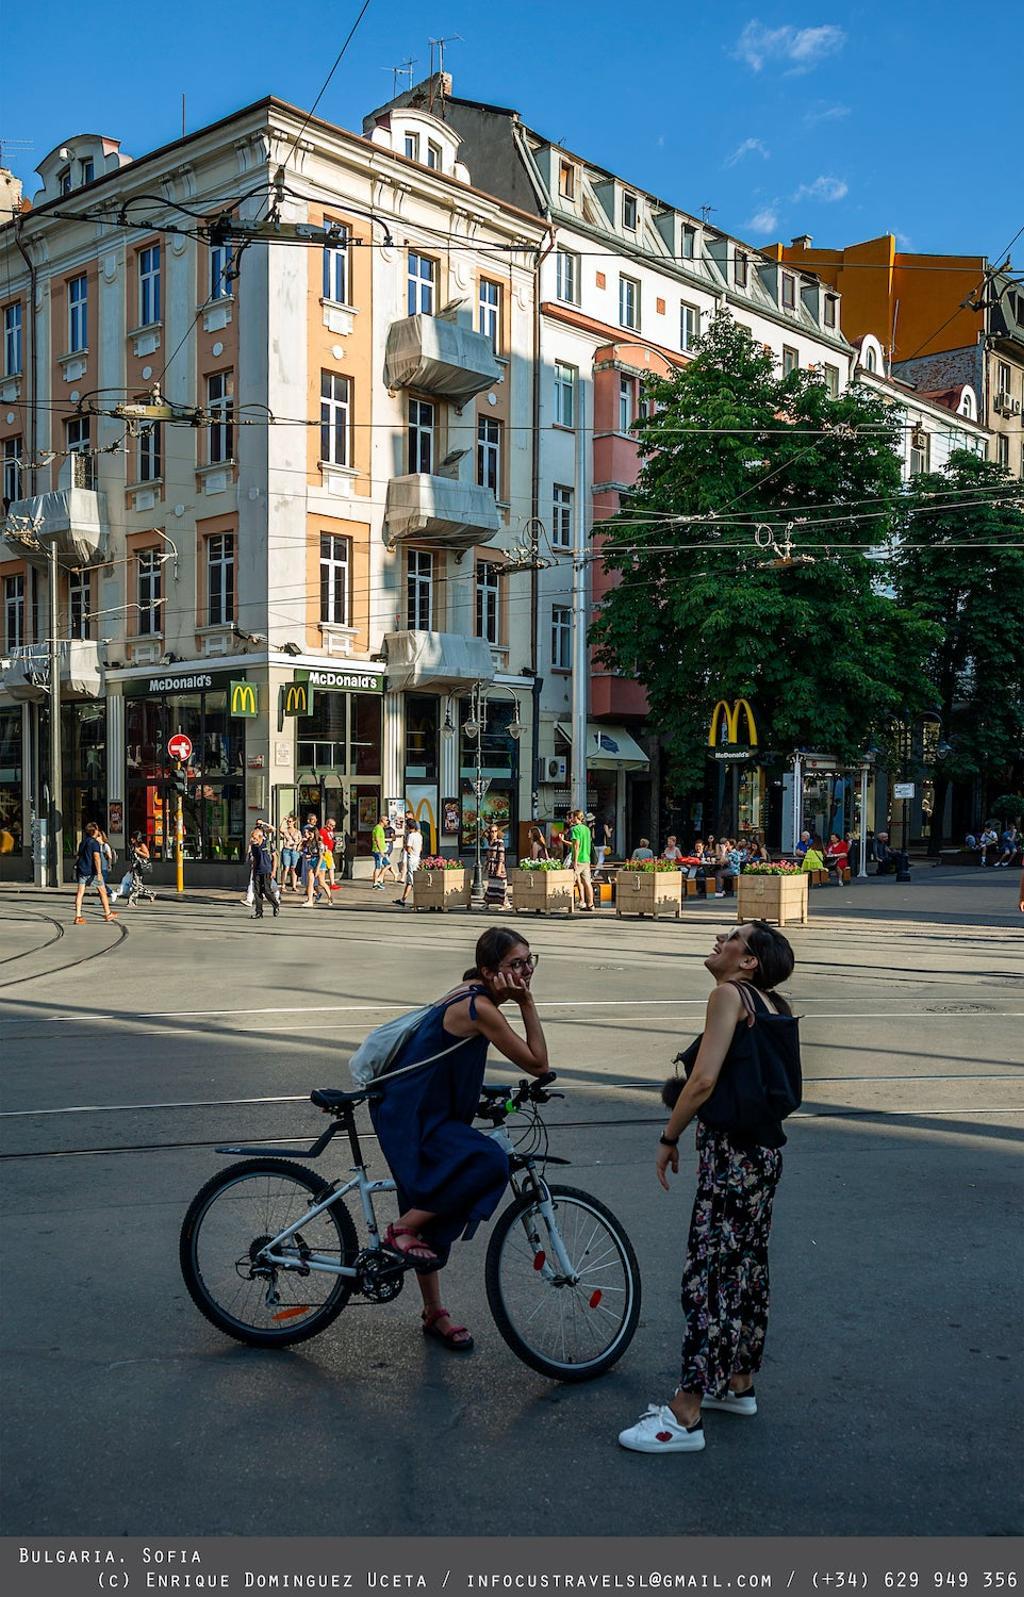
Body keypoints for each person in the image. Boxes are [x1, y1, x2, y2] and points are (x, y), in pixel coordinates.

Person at [618, 920, 798, 1455]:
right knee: (745, 1268)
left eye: (733, 937)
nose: (720, 939)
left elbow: (702, 1080)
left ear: (749, 961)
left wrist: (669, 1134)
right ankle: (737, 1383)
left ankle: (685, 1412)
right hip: (763, 1156)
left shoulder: (728, 995)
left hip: (732, 1157)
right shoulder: (774, 1006)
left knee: (712, 1274)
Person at [369, 927, 550, 1350]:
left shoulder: (471, 991)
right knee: (488, 1162)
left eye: (529, 962)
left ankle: (433, 1312)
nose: (526, 972)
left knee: (429, 1201)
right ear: (490, 972)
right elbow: (539, 1063)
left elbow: (447, 1060)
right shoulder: (480, 1006)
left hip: (420, 1108)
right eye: (515, 965)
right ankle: (399, 1230)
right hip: (413, 1116)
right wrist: (526, 1002)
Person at [73, 821, 117, 925]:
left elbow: (79, 856)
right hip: (92, 871)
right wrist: (99, 872)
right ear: (94, 831)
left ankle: (78, 916)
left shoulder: (82, 842)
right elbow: (96, 858)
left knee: (80, 893)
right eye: (97, 829)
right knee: (102, 891)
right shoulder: (94, 843)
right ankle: (108, 913)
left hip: (82, 870)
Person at [248, 826, 278, 919]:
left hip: (266, 870)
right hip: (257, 871)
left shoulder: (268, 844)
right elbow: (254, 859)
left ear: (260, 837)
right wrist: (253, 871)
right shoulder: (253, 846)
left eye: (254, 837)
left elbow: (275, 857)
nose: (253, 839)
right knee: (257, 892)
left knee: (266, 891)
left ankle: (275, 904)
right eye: (252, 837)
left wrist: (274, 870)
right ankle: (259, 912)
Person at [570, 808, 595, 911]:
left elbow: (576, 846)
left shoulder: (575, 829)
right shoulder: (587, 829)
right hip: (586, 859)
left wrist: (575, 862)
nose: (571, 819)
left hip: (579, 859)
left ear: (576, 817)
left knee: (569, 880)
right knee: (587, 883)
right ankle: (590, 904)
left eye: (572, 817)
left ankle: (567, 903)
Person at [396, 818, 423, 908]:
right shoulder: (419, 836)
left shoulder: (411, 836)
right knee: (409, 881)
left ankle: (419, 902)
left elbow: (408, 848)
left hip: (412, 859)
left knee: (412, 880)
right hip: (417, 858)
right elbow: (421, 848)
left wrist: (409, 852)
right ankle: (403, 900)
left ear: (408, 826)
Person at [300, 825, 330, 907]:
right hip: (311, 862)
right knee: (310, 882)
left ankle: (330, 897)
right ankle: (310, 900)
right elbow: (305, 851)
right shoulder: (308, 842)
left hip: (320, 863)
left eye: (310, 833)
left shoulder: (319, 843)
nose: (308, 834)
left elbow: (321, 857)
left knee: (321, 882)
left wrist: (317, 868)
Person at [483, 823, 509, 910]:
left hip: (499, 868)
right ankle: (487, 903)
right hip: (491, 867)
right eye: (492, 831)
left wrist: (498, 869)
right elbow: (488, 856)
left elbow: (501, 857)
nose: (493, 833)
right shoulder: (491, 843)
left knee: (501, 886)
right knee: (491, 886)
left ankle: (505, 904)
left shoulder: (500, 842)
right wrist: (485, 866)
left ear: (498, 832)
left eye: (495, 831)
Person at [278, 816, 301, 893]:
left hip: (294, 851)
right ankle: (283, 885)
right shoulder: (285, 831)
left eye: (290, 821)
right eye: (288, 821)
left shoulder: (298, 832)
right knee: (286, 868)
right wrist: (283, 820)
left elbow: (300, 841)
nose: (289, 823)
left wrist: (298, 847)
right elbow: (280, 829)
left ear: (294, 822)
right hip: (286, 850)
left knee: (294, 868)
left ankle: (294, 885)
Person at [371, 815, 393, 890]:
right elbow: (377, 839)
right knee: (378, 867)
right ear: (382, 820)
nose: (387, 821)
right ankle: (375, 883)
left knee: (388, 865)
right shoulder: (378, 828)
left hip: (382, 851)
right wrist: (380, 851)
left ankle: (379, 879)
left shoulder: (381, 828)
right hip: (378, 851)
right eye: (386, 820)